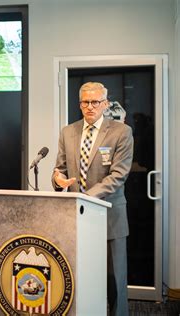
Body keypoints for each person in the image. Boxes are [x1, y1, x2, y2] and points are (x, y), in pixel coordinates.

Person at [52, 82, 133, 316]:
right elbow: (60, 169)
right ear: (79, 104)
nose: (90, 107)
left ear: (105, 104)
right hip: (77, 218)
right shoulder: (68, 131)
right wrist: (58, 180)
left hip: (110, 216)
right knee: (80, 277)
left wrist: (85, 197)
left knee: (115, 280)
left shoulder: (121, 132)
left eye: (95, 102)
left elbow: (119, 175)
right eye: (85, 102)